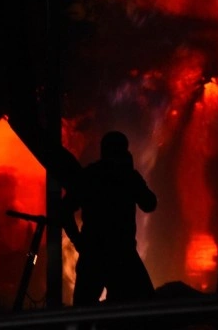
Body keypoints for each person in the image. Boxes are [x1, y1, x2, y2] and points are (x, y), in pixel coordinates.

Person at [61, 130, 157, 306]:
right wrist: (131, 174)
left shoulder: (89, 175)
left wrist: (78, 241)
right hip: (122, 255)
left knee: (83, 312)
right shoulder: (127, 176)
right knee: (145, 307)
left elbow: (64, 209)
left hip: (93, 253)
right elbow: (150, 204)